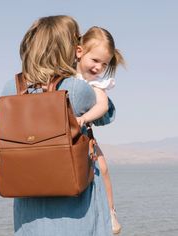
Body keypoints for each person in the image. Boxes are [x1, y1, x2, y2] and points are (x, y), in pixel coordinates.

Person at [1, 15, 115, 236]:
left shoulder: (11, 87)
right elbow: (106, 115)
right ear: (69, 47)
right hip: (75, 212)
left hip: (28, 211)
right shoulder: (75, 89)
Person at [75, 26, 125, 234]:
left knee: (102, 168)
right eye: (95, 60)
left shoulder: (95, 84)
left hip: (85, 134)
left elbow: (102, 106)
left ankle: (110, 211)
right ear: (79, 52)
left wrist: (84, 118)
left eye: (104, 64)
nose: (98, 68)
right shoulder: (64, 75)